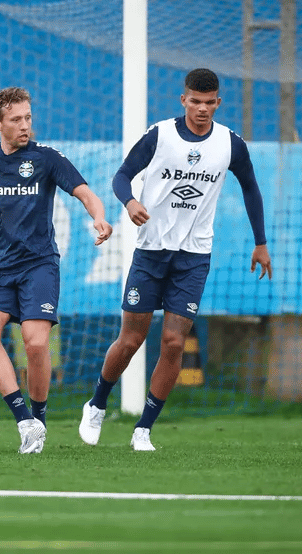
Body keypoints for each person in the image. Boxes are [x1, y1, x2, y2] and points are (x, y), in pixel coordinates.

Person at [78, 68, 272, 451]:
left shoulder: (230, 143)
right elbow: (122, 176)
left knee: (172, 342)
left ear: (218, 103)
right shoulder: (160, 135)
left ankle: (144, 429)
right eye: (195, 101)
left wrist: (261, 242)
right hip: (150, 253)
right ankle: (97, 403)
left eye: (209, 102)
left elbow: (250, 188)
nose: (202, 109)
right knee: (131, 339)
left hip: (194, 256)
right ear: (183, 100)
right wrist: (130, 201)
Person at [0, 86, 113, 454]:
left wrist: (99, 217)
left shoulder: (46, 158)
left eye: (28, 118)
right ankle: (25, 422)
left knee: (35, 343)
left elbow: (84, 192)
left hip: (39, 266)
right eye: (16, 120)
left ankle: (40, 418)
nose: (24, 126)